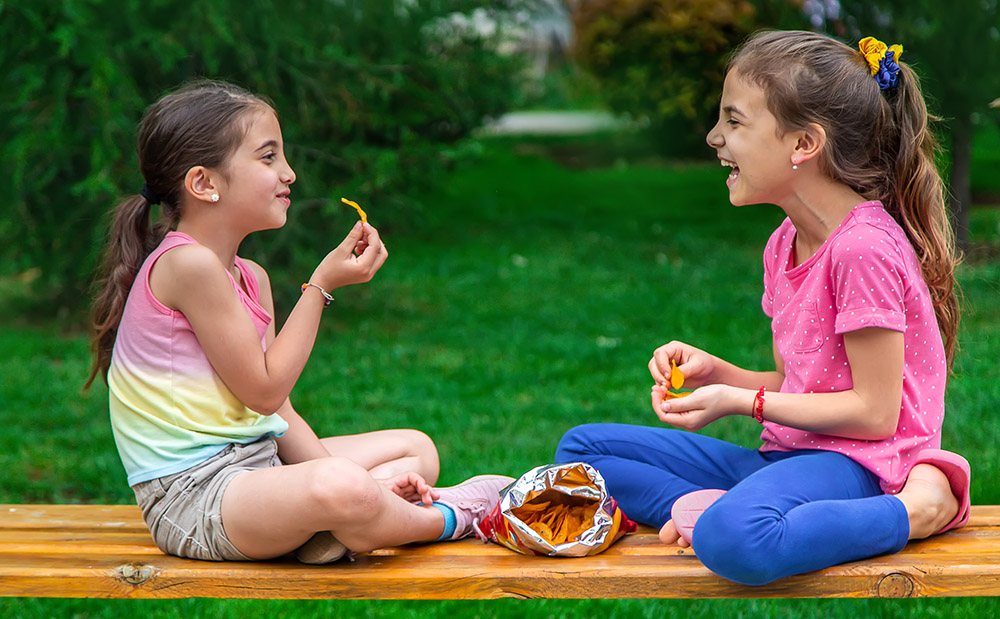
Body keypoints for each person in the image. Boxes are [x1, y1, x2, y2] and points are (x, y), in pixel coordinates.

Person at [555, 30, 971, 585]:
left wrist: (741, 401)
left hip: (867, 468)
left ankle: (914, 513)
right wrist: (718, 375)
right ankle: (714, 508)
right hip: (790, 458)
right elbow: (796, 382)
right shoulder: (785, 242)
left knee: (737, 540)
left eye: (733, 121)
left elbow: (874, 413)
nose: (713, 137)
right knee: (581, 452)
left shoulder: (862, 249)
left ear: (803, 145)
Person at [85, 80, 511, 564]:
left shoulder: (250, 277)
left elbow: (276, 411)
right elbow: (264, 392)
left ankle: (336, 523)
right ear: (204, 183)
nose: (289, 173)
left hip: (255, 468)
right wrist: (320, 285)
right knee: (343, 484)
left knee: (417, 450)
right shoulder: (188, 266)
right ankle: (454, 518)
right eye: (267, 157)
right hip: (194, 501)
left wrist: (339, 487)